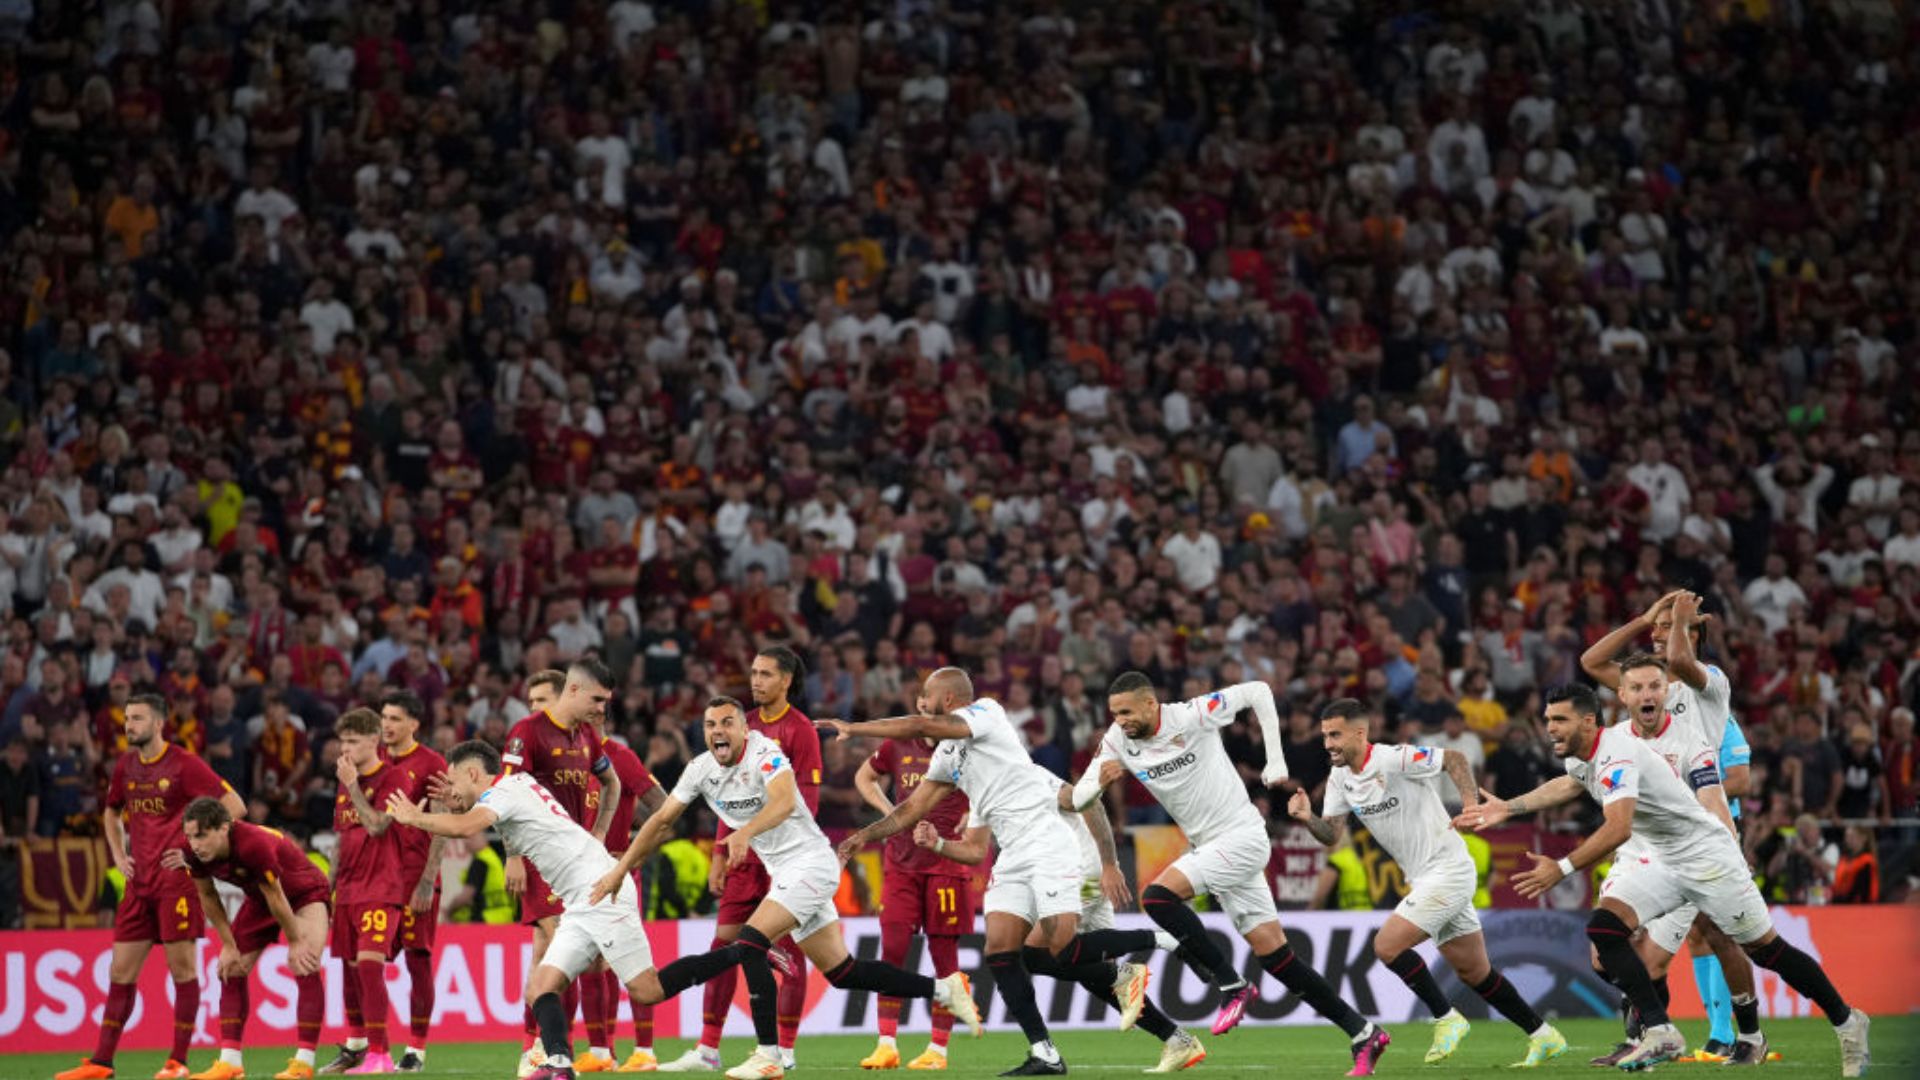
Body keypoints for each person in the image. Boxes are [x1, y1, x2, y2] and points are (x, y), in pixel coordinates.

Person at [1458, 683, 1871, 1076]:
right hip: (1661, 859)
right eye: (1548, 719)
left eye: (1559, 719)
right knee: (1604, 929)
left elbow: (1618, 828)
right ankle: (1659, 1031)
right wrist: (1509, 807)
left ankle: (1847, 1021)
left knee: (1766, 950)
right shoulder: (1586, 754)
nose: (1550, 727)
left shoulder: (1617, 752)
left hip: (1706, 857)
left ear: (1587, 722)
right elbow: (1569, 783)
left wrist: (1562, 867)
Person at [384, 738, 855, 1080]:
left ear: (473, 773)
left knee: (647, 990)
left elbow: (467, 826)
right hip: (581, 899)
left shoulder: (502, 794)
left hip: (602, 890)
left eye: (455, 780)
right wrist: (453, 804)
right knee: (541, 987)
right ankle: (560, 1063)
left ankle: (747, 951)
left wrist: (414, 817)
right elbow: (472, 814)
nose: (451, 790)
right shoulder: (515, 785)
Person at [591, 697, 981, 1080]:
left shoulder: (765, 753)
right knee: (843, 971)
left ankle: (769, 1056)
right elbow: (660, 820)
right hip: (785, 874)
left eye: (727, 723)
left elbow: (783, 803)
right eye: (710, 725)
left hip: (812, 864)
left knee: (749, 943)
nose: (718, 731)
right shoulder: (700, 769)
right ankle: (944, 990)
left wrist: (744, 833)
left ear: (745, 729)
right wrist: (619, 871)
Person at [820, 668, 1171, 1077]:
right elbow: (911, 809)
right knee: (1002, 952)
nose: (922, 704)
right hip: (1013, 854)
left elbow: (919, 725)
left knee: (1063, 948)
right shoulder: (949, 757)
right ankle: (1045, 1054)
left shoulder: (987, 712)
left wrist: (854, 727)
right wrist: (864, 836)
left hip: (1048, 843)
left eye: (927, 696)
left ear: (947, 700)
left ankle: (1157, 943)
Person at [1065, 673, 1390, 1075]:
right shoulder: (1118, 739)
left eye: (1127, 711)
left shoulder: (1191, 715)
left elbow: (1258, 691)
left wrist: (1275, 759)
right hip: (1211, 848)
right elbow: (1080, 796)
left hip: (1241, 836)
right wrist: (1098, 783)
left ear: (1151, 704)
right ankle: (1363, 1032)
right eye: (1115, 713)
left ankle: (1231, 984)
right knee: (1278, 958)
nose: (1120, 720)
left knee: (1157, 898)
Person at [1287, 699, 1566, 1067]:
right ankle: (1543, 1035)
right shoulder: (1339, 778)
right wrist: (1308, 818)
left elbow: (1455, 759)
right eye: (1325, 736)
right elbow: (1331, 834)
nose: (1328, 744)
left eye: (1335, 735)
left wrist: (1470, 806)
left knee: (1387, 945)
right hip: (1424, 879)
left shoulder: (1393, 758)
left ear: (1359, 733)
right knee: (1475, 973)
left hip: (1449, 870)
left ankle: (1446, 1018)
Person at [1580, 593, 1768, 1064]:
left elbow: (1737, 778)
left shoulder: (1709, 691)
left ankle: (1738, 1034)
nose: (1658, 634)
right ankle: (1659, 1033)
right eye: (1657, 627)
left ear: (1693, 633)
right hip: (1652, 836)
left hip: (1704, 830)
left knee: (1716, 935)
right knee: (1625, 945)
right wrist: (1642, 618)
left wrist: (1682, 794)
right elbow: (1592, 662)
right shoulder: (1646, 690)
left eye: (1669, 626)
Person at [927, 760, 1206, 1074]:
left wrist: (1110, 864)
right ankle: (1177, 1040)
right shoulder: (988, 793)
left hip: (1076, 870)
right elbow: (977, 845)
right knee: (1093, 974)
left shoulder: (1028, 775)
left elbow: (1088, 801)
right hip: (1077, 872)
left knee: (1035, 955)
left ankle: (1162, 943)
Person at [55, 695, 245, 1080]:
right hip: (138, 885)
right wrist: (117, 853)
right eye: (127, 718)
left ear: (159, 723)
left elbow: (235, 804)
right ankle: (101, 1062)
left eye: (138, 718)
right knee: (119, 972)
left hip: (177, 884)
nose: (129, 725)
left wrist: (193, 849)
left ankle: (178, 1061)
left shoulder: (184, 764)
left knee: (182, 970)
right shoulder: (125, 766)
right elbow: (111, 811)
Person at [665, 649, 821, 1073]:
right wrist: (720, 852)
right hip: (742, 856)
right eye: (753, 673)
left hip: (782, 858)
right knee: (724, 945)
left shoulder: (801, 730)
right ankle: (707, 1049)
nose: (755, 681)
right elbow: (725, 796)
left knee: (787, 950)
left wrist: (773, 845)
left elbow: (804, 802)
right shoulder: (738, 723)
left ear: (786, 680)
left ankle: (784, 1049)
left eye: (765, 674)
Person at [505, 663, 626, 1078]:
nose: (602, 708)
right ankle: (548, 1048)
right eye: (597, 699)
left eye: (605, 702)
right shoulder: (527, 732)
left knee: (555, 954)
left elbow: (613, 784)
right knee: (564, 951)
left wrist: (599, 833)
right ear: (573, 691)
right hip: (540, 859)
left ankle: (542, 1046)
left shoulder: (586, 735)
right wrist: (512, 855)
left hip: (576, 862)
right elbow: (505, 794)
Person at [177, 798, 333, 1080]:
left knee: (304, 963)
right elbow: (207, 896)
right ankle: (230, 1063)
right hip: (261, 898)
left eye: (201, 835)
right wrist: (228, 944)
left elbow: (277, 895)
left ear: (224, 828)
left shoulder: (252, 844)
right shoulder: (191, 852)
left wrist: (296, 941)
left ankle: (303, 1064)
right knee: (230, 969)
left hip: (304, 893)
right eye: (190, 836)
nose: (195, 844)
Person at [853, 731, 977, 1069]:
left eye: (930, 705)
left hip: (946, 865)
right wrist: (890, 813)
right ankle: (886, 1045)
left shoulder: (968, 749)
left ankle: (938, 1050)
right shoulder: (898, 745)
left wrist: (974, 813)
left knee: (945, 960)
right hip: (901, 864)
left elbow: (996, 787)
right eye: (921, 704)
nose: (924, 708)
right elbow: (864, 776)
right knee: (892, 952)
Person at [316, 708, 415, 1075]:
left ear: (374, 740)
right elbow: (341, 840)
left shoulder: (393, 777)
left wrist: (354, 785)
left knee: (370, 968)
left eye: (353, 741)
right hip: (347, 889)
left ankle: (380, 1054)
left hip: (380, 887)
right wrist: (327, 889)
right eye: (342, 741)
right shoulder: (347, 782)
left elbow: (376, 825)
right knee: (351, 973)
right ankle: (358, 1048)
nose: (345, 748)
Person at [579, 701, 667, 1072]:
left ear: (599, 718)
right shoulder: (567, 760)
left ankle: (645, 1051)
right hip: (580, 873)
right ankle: (602, 1052)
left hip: (616, 872)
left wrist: (635, 853)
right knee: (590, 961)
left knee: (627, 958)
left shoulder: (620, 757)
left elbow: (663, 806)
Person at [379, 691, 450, 1072]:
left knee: (417, 960)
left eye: (394, 718)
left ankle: (415, 1050)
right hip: (377, 878)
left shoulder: (431, 764)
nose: (386, 725)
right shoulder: (373, 759)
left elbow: (441, 825)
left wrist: (427, 880)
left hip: (413, 876)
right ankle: (369, 1045)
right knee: (365, 959)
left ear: (413, 724)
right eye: (383, 717)